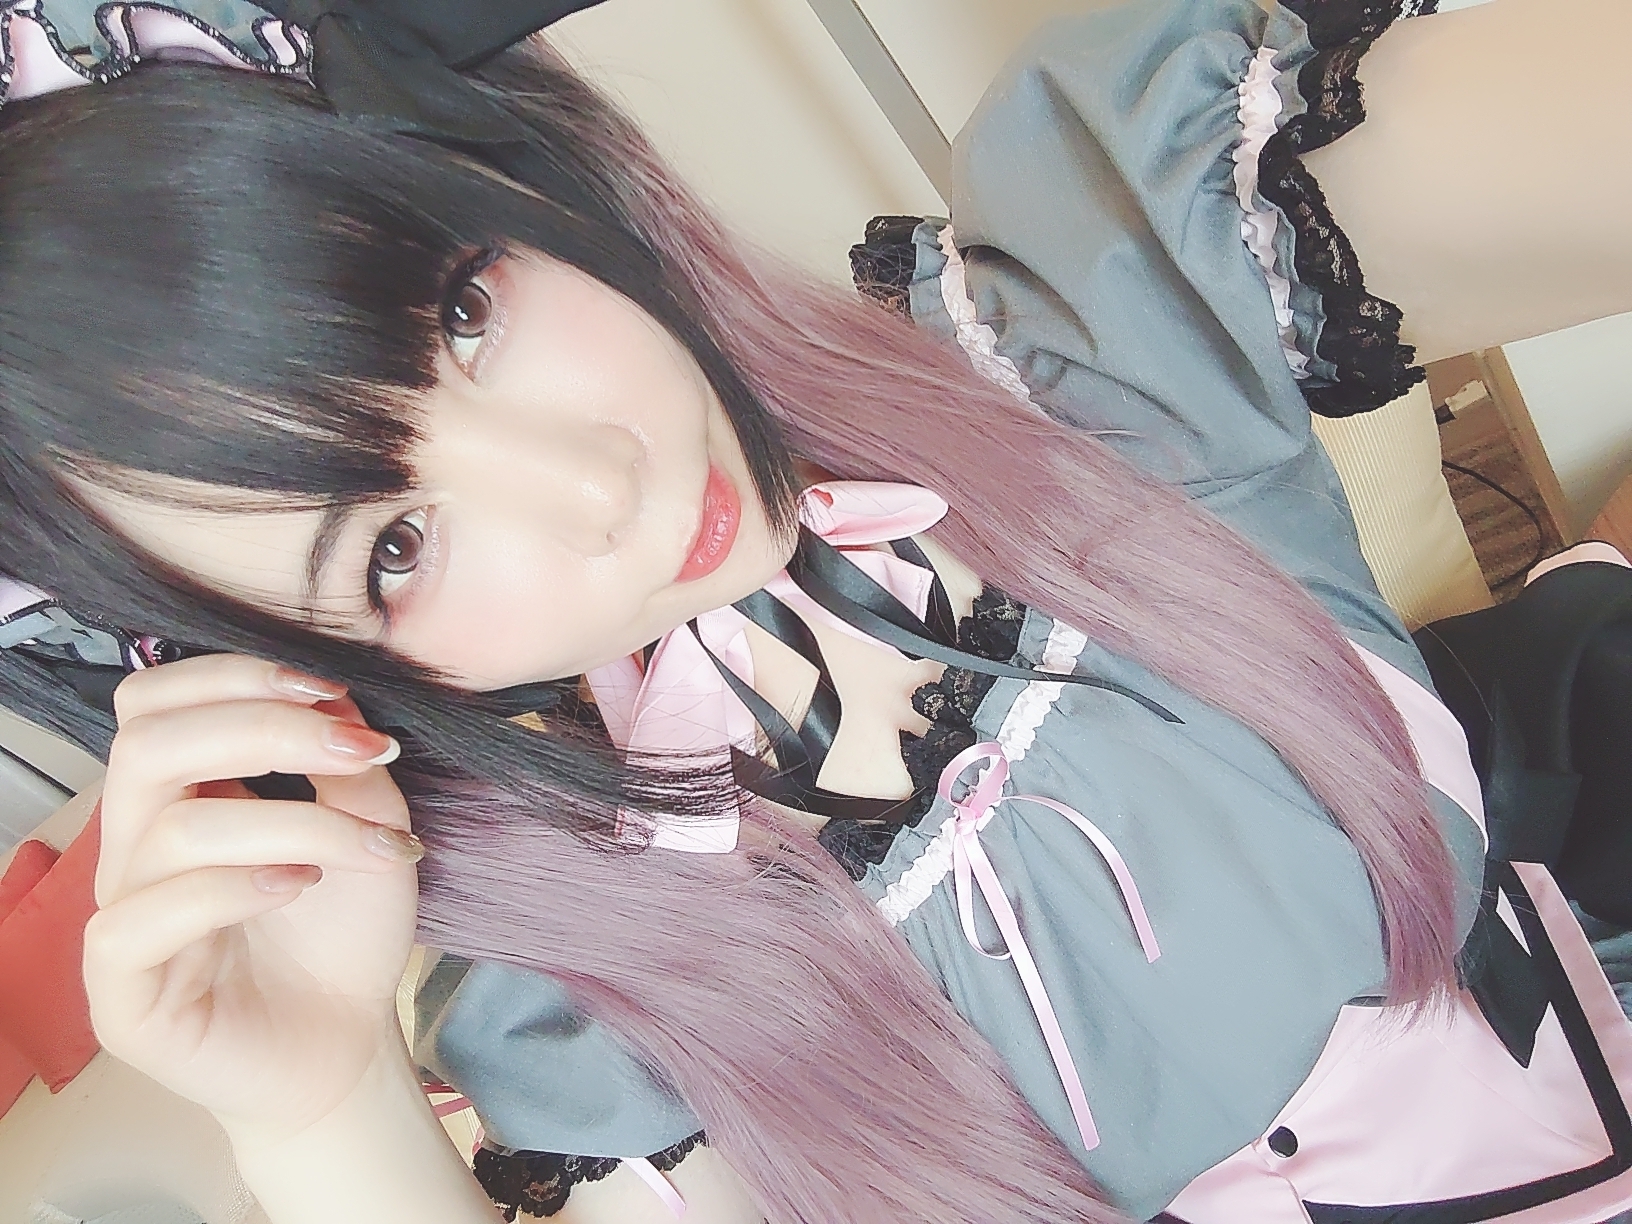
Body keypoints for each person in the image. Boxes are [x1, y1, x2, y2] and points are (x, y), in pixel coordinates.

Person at [0, 0, 1628, 1220]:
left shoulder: (1073, 342)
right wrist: (318, 1109)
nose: (597, 484)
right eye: (396, 548)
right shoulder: (585, 1006)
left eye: (464, 310)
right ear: (307, 670)